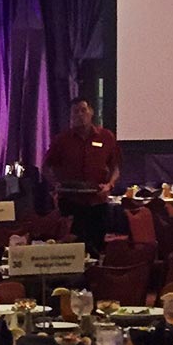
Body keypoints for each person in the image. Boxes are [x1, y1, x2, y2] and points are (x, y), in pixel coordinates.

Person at [43, 96, 121, 251]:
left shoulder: (106, 137)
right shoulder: (62, 140)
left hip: (97, 201)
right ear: (71, 116)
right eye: (75, 112)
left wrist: (109, 185)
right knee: (71, 247)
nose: (80, 114)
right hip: (71, 202)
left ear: (91, 112)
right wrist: (56, 184)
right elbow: (46, 167)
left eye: (83, 110)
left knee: (97, 248)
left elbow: (116, 168)